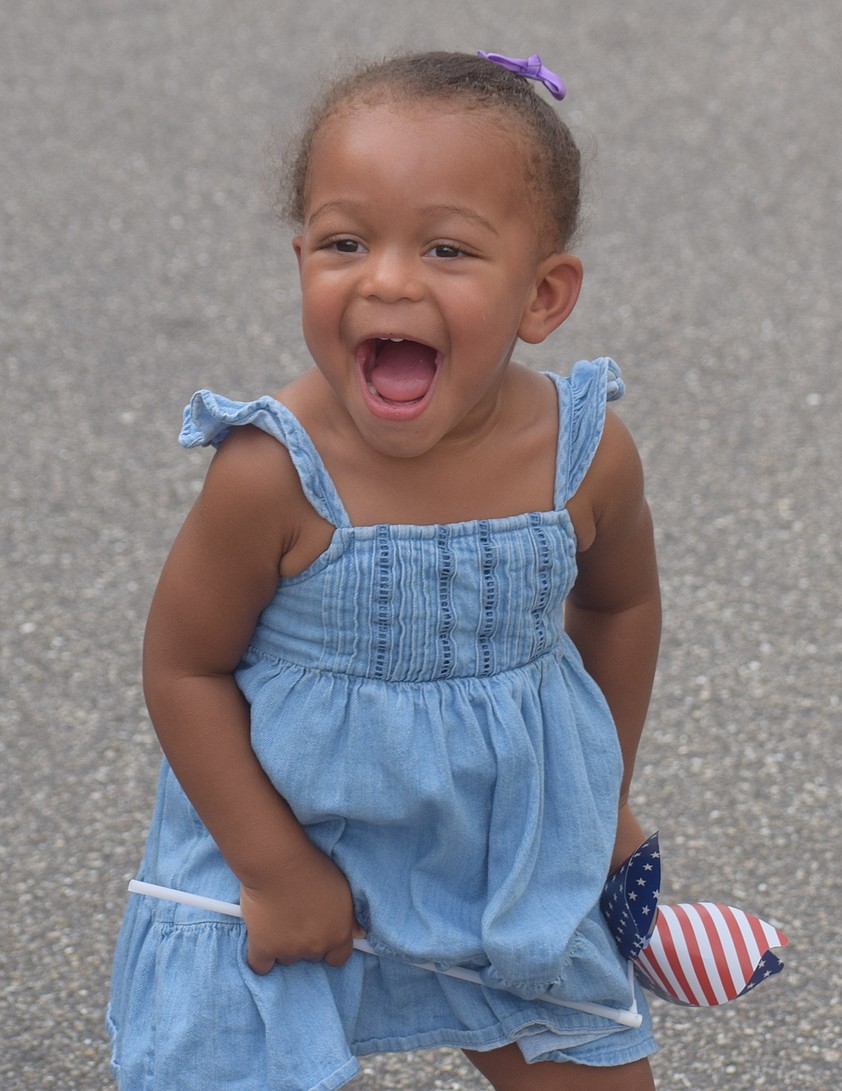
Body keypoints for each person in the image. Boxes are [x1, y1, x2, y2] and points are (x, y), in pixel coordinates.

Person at [108, 50, 662, 1091]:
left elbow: (620, 601)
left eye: (448, 247)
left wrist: (600, 802)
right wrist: (275, 870)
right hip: (278, 832)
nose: (387, 278)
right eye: (344, 242)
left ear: (542, 294)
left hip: (505, 852)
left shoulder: (583, 453)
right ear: (302, 260)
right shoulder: (272, 471)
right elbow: (182, 667)